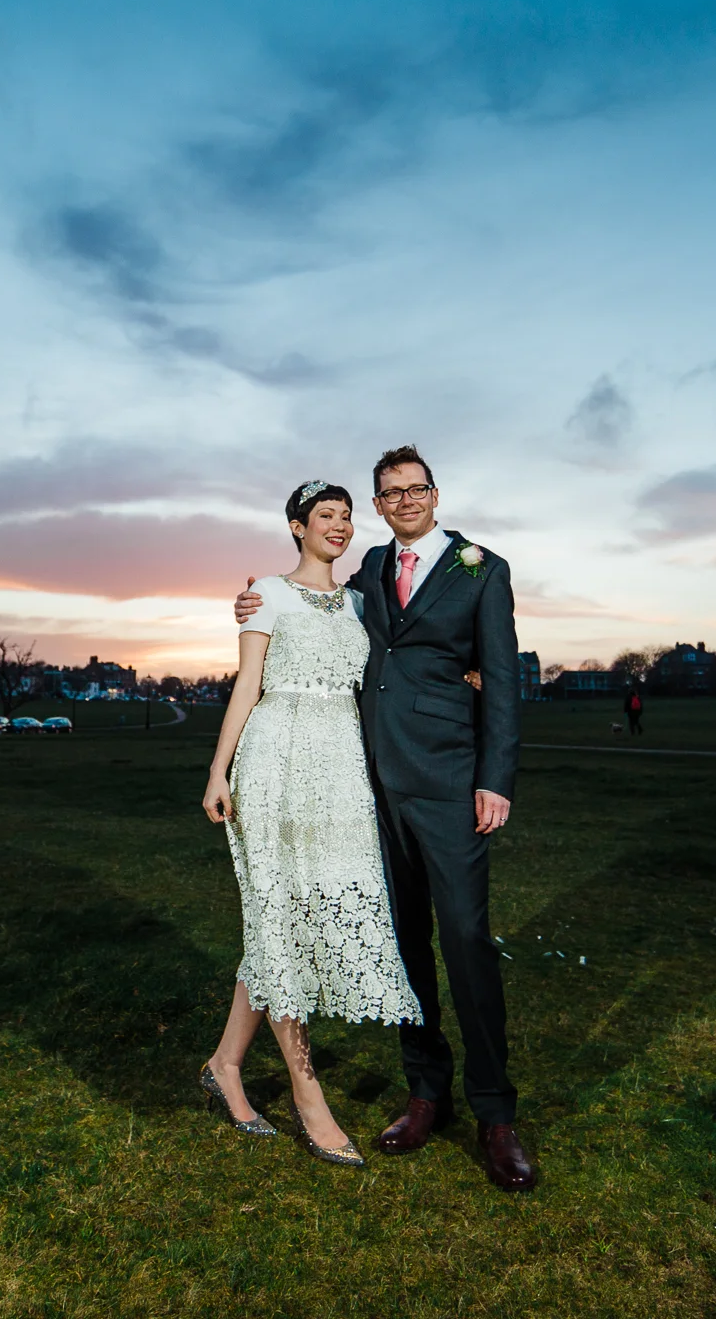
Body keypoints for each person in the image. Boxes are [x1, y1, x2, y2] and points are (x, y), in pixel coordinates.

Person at [234, 446, 536, 1191]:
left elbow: (501, 679)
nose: (405, 500)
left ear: (435, 494)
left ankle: (495, 1114)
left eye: (415, 488)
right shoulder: (368, 569)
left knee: (465, 940)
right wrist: (256, 601)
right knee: (404, 945)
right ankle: (425, 1092)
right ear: (379, 506)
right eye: (390, 493)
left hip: (451, 783)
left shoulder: (481, 569)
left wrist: (494, 780)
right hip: (369, 785)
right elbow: (314, 609)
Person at [200, 480, 420, 1168]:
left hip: (341, 769)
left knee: (287, 920)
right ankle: (307, 1090)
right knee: (278, 917)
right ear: (298, 526)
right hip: (274, 760)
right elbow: (247, 684)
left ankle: (225, 1064)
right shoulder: (266, 593)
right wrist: (218, 771)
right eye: (326, 515)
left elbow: (404, 658)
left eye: (347, 516)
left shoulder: (360, 602)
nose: (340, 525)